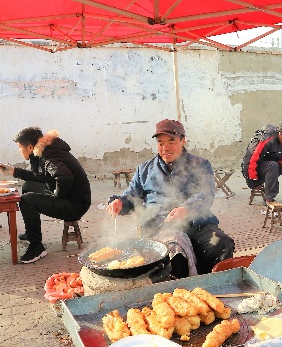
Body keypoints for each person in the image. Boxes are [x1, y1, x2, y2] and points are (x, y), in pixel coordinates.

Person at [106, 119, 235, 277]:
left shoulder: (200, 165)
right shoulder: (145, 170)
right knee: (175, 252)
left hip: (197, 224)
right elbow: (132, 195)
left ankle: (209, 284)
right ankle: (179, 293)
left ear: (183, 141)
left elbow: (206, 194)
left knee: (221, 243)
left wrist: (186, 209)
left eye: (171, 142)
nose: (165, 148)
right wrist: (120, 201)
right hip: (160, 227)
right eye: (160, 143)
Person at [0, 128, 92, 263]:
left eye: (20, 147)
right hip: (72, 198)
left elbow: (64, 176)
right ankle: (32, 234)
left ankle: (37, 247)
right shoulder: (45, 150)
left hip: (74, 205)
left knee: (26, 200)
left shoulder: (49, 155)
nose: (20, 151)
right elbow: (41, 177)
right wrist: (13, 171)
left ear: (30, 147)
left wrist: (57, 197)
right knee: (28, 186)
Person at [242, 120, 282, 204]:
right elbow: (251, 159)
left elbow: (275, 155)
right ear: (281, 133)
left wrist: (281, 161)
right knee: (273, 166)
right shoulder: (266, 138)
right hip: (252, 173)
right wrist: (253, 179)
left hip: (266, 166)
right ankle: (269, 199)